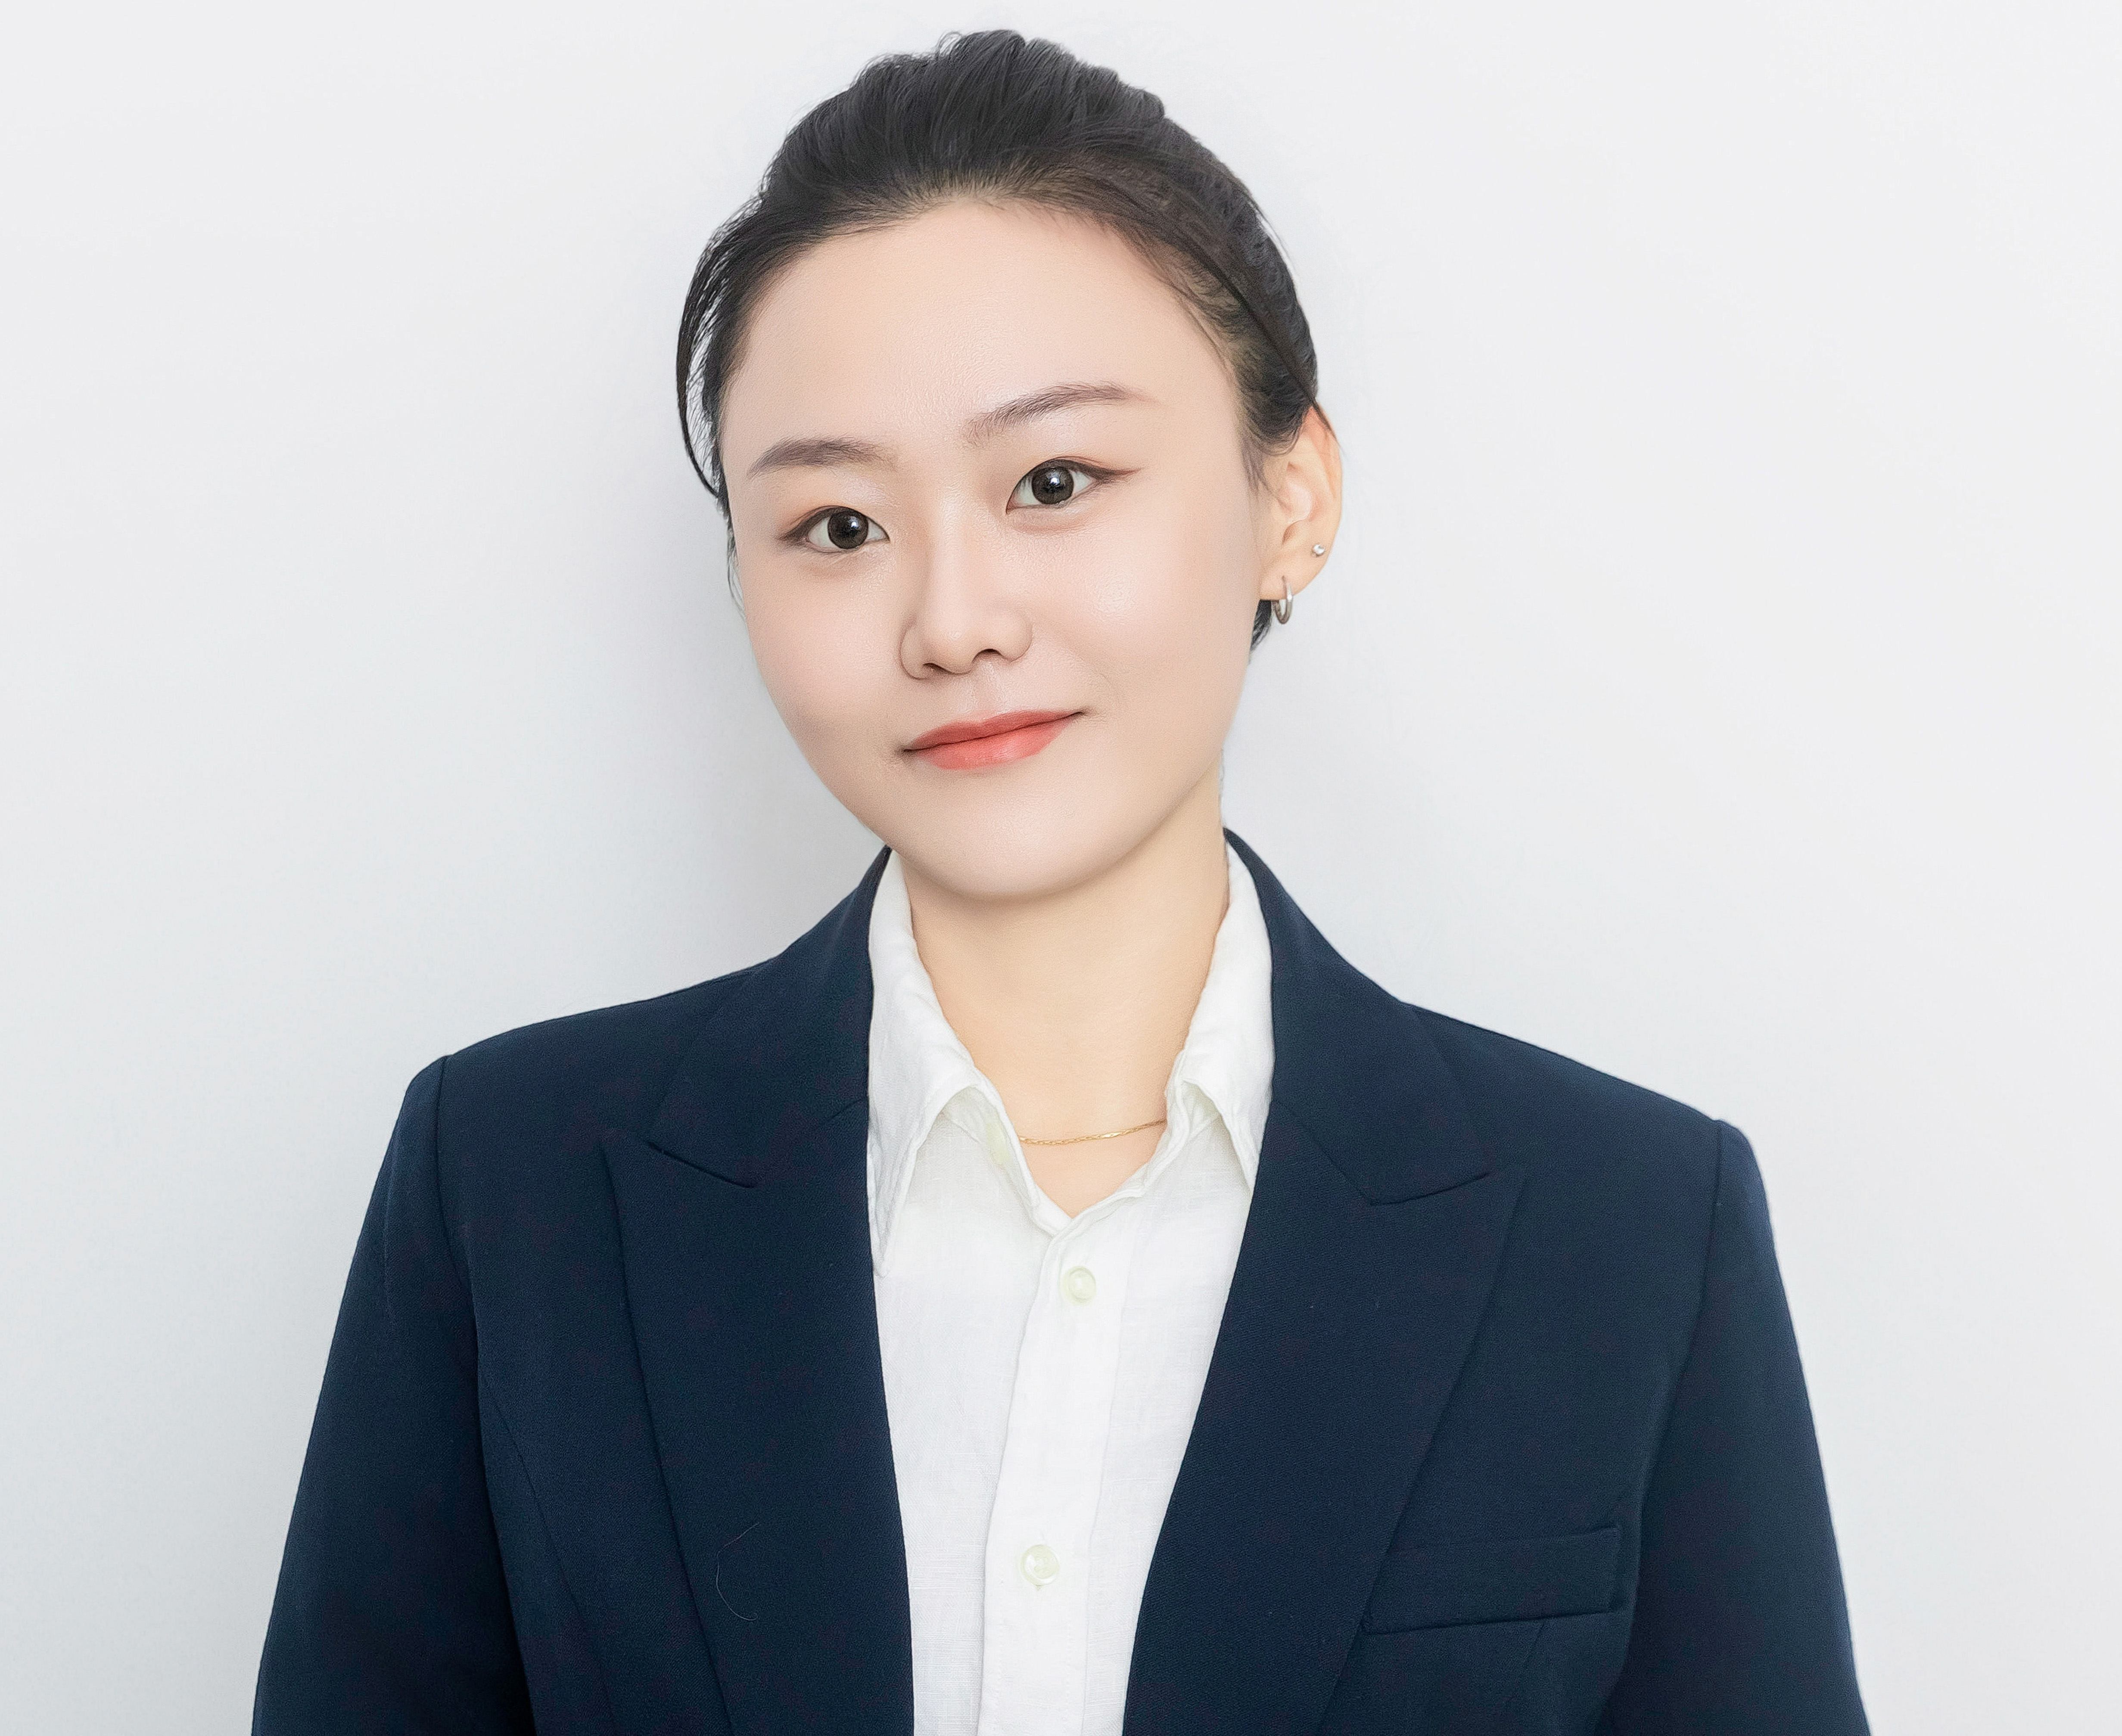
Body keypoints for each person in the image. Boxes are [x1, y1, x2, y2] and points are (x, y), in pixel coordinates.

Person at [254, 30, 1867, 1736]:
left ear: (1291, 496)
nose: (953, 621)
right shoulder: (510, 1188)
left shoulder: (1629, 1230)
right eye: (838, 526)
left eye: (1053, 483)